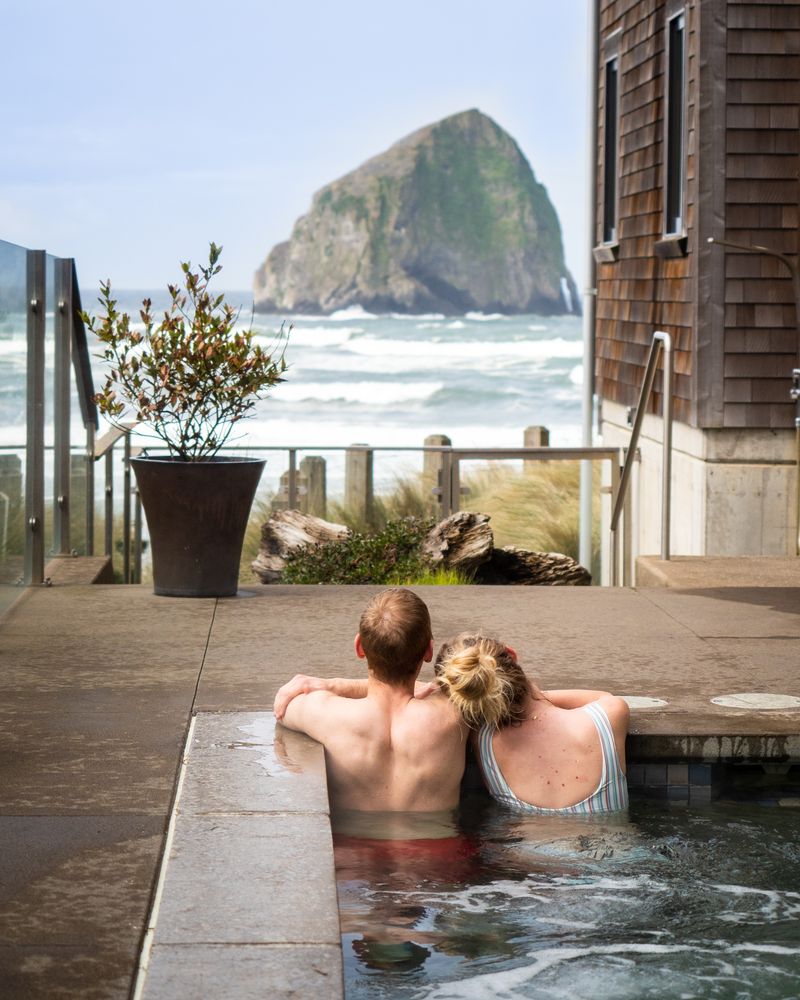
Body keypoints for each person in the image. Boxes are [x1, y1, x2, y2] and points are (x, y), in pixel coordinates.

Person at [273, 588, 468, 813]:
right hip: (438, 848)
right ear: (428, 651)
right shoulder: (454, 713)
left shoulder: (328, 714)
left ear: (359, 647)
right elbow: (442, 688)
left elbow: (283, 705)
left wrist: (333, 684)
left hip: (357, 848)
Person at [434, 633, 629, 815]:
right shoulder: (608, 717)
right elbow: (603, 697)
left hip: (525, 852)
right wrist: (539, 696)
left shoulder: (484, 744)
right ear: (512, 654)